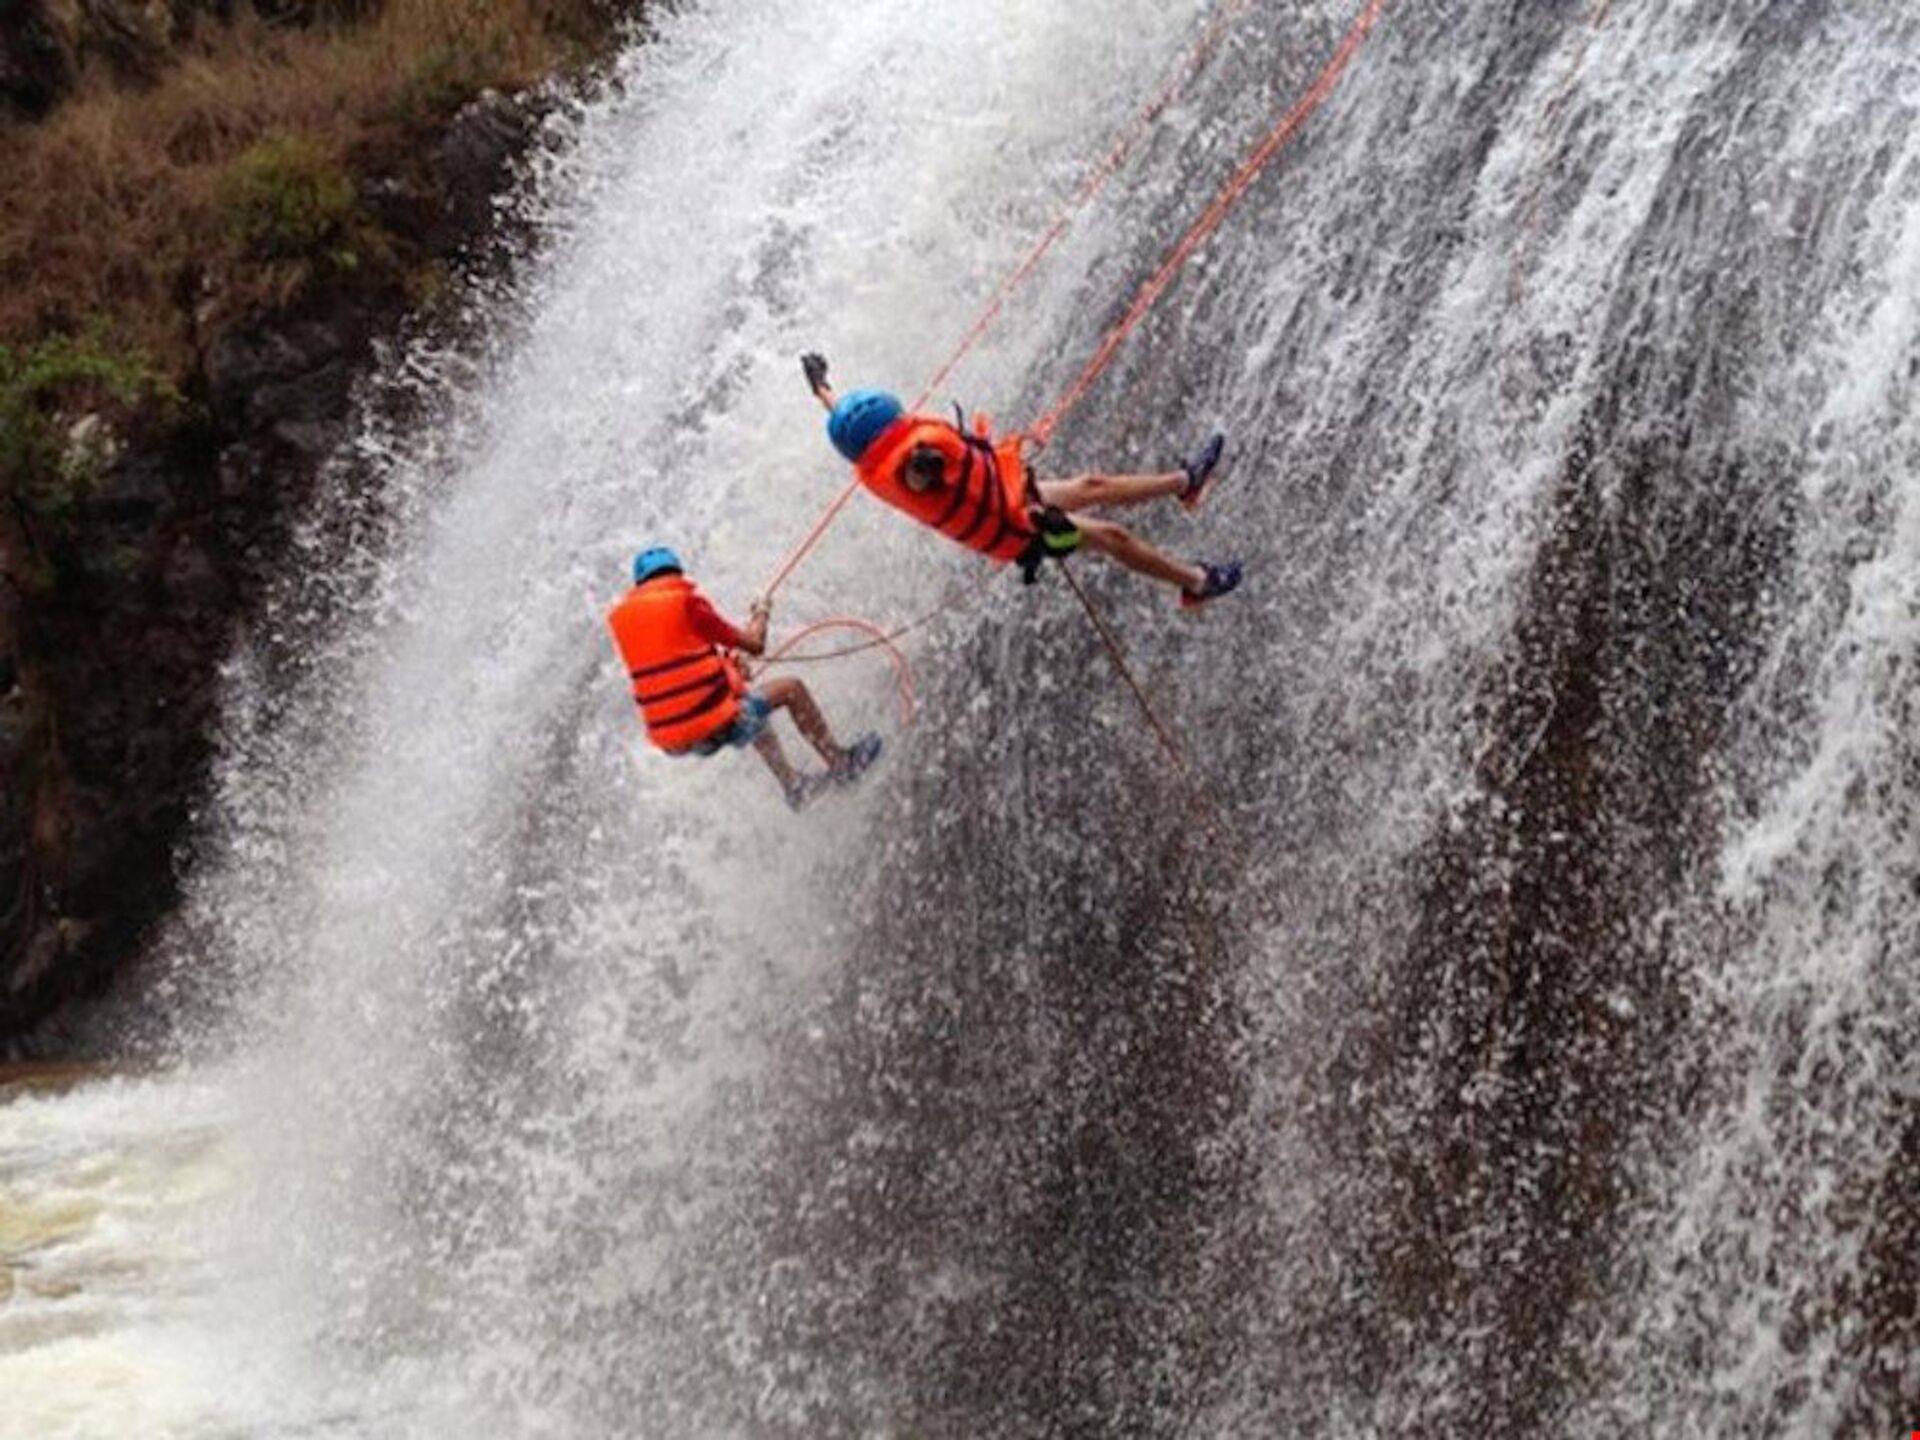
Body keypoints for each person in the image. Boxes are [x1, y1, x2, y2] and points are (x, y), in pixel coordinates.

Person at [800, 352, 1243, 608]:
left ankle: (1185, 482)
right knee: (1112, 536)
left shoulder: (867, 452)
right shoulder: (908, 465)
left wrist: (823, 387)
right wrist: (925, 463)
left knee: (1093, 486)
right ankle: (1196, 583)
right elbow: (916, 476)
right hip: (1026, 532)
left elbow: (846, 419)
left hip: (1016, 498)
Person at [607, 546, 882, 811]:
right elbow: (755, 644)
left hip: (674, 743)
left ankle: (793, 783)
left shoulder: (625, 622)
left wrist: (728, 668)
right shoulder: (687, 606)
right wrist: (762, 611)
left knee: (749, 706)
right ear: (677, 574)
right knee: (791, 689)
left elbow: (675, 674)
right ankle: (841, 763)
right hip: (712, 728)